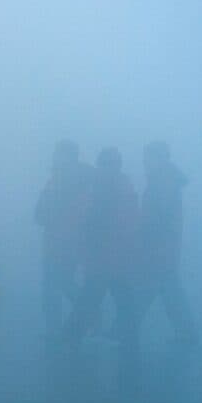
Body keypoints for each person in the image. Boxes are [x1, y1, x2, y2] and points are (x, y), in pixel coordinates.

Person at [63, 148, 139, 349]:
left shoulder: (116, 189)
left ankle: (72, 333)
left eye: (108, 164)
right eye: (103, 164)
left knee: (94, 294)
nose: (104, 168)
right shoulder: (111, 187)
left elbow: (122, 222)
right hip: (107, 254)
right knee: (118, 295)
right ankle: (129, 336)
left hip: (109, 253)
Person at [136, 141, 198, 344]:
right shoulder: (164, 180)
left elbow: (158, 218)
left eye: (148, 157)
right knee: (169, 289)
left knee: (150, 289)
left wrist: (144, 236)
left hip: (159, 246)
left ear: (160, 158)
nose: (144, 162)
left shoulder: (163, 183)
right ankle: (187, 332)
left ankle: (125, 327)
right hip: (163, 247)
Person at [35, 140, 93, 339]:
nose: (54, 156)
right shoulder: (83, 179)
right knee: (63, 283)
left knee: (53, 287)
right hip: (70, 242)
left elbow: (42, 212)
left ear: (67, 156)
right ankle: (87, 315)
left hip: (59, 242)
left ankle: (57, 329)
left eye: (58, 153)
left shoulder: (61, 178)